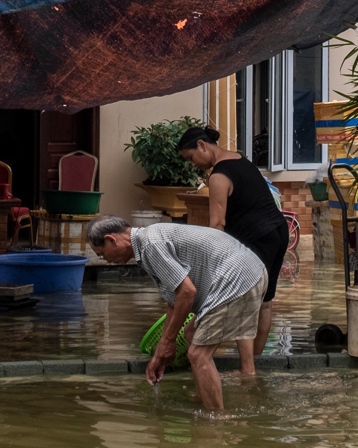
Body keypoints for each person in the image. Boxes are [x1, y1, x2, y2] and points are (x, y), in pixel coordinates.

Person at [87, 215, 266, 413]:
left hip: (239, 277)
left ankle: (217, 420)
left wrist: (168, 341)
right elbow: (175, 302)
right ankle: (202, 398)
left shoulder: (150, 245)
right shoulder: (148, 241)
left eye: (102, 254)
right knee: (191, 334)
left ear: (111, 240)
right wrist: (159, 354)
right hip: (250, 270)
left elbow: (187, 293)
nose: (108, 261)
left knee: (198, 354)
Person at [176, 125, 289, 376]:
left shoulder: (218, 176)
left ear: (202, 145)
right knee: (265, 301)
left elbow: (217, 224)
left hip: (257, 237)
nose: (193, 164)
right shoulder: (240, 158)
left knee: (245, 299)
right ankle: (256, 363)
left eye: (191, 157)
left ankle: (247, 370)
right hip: (279, 231)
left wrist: (209, 261)